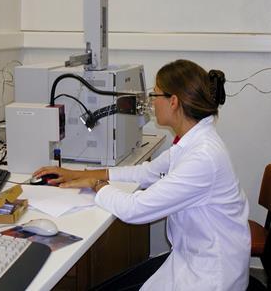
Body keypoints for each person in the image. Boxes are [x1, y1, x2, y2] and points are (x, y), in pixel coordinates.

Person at [33, 59, 251, 290]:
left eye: (155, 95)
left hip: (210, 275)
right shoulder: (194, 141)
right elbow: (146, 172)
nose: (151, 102)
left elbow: (135, 209)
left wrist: (96, 185)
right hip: (192, 258)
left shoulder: (202, 157)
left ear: (173, 101)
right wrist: (74, 173)